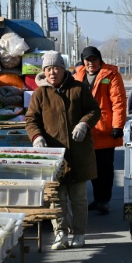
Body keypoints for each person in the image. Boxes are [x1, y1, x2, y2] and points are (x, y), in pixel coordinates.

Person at [25, 51, 100, 250]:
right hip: (53, 156)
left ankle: (79, 233)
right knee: (56, 198)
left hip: (78, 153)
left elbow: (94, 110)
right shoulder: (40, 93)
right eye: (48, 69)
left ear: (63, 69)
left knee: (78, 198)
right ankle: (60, 234)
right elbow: (31, 119)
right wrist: (37, 137)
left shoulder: (78, 88)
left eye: (56, 68)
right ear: (44, 72)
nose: (52, 72)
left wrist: (84, 124)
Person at [73, 46, 127, 215]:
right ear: (83, 60)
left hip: (105, 130)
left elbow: (119, 102)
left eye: (94, 60)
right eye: (88, 60)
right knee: (90, 168)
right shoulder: (78, 75)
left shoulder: (111, 75)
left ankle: (104, 200)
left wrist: (118, 126)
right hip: (84, 129)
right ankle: (97, 199)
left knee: (104, 169)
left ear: (99, 59)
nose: (91, 64)